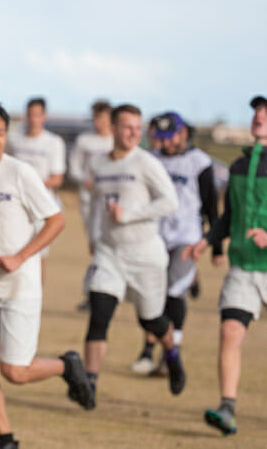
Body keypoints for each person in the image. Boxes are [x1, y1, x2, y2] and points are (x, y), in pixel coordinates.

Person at [0, 100, 94, 449]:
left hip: (19, 287)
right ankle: (6, 439)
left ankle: (66, 366)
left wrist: (21, 257)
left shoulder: (21, 173)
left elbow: (56, 220)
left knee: (14, 372)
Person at [184, 96, 267, 437]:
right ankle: (227, 407)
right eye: (256, 111)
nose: (259, 116)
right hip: (244, 266)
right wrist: (209, 240)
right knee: (230, 331)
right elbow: (231, 216)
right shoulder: (238, 166)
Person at [82, 104, 184, 407]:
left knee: (151, 320)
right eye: (128, 127)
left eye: (138, 129)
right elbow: (96, 206)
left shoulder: (146, 163)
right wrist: (94, 236)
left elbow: (170, 202)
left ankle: (172, 355)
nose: (134, 134)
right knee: (99, 315)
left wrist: (130, 215)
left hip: (145, 254)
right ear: (113, 129)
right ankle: (89, 385)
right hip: (109, 251)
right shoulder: (97, 164)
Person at [129, 112, 224, 375]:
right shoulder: (153, 160)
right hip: (155, 236)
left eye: (169, 138)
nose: (165, 144)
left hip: (187, 237)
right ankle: (148, 351)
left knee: (172, 292)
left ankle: (171, 353)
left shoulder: (199, 162)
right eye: (160, 139)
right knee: (151, 294)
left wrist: (216, 247)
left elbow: (211, 207)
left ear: (183, 133)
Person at [7, 98, 66, 280]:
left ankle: (35, 299)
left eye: (37, 115)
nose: (33, 119)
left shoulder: (53, 142)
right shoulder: (14, 140)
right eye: (30, 114)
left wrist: (33, 185)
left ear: (44, 116)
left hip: (41, 207)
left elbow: (57, 178)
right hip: (15, 205)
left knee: (37, 255)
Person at [68, 101, 113, 310]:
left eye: (103, 117)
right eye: (96, 117)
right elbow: (74, 167)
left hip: (113, 204)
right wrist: (83, 179)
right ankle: (93, 292)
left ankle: (104, 290)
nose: (99, 122)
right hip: (89, 202)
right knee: (96, 246)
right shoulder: (85, 141)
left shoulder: (115, 141)